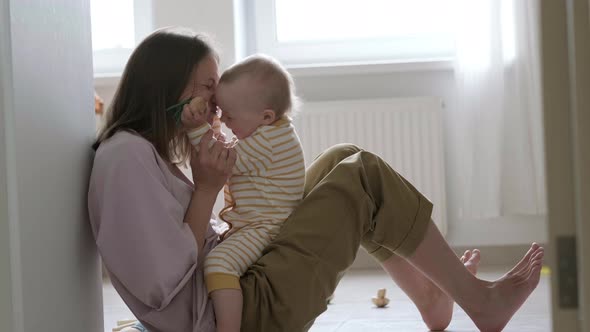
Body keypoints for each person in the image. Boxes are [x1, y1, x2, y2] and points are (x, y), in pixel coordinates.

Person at [88, 27, 544, 332]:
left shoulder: (141, 152)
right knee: (359, 178)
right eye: (208, 85)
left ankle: (429, 294)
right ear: (169, 87)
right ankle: (477, 303)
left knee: (344, 159)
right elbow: (163, 280)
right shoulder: (125, 158)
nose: (216, 99)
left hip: (238, 284)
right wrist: (206, 189)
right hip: (239, 310)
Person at [179, 54, 305, 331]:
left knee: (218, 263)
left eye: (229, 116)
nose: (223, 121)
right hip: (260, 222)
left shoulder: (268, 143)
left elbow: (218, 158)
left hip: (267, 227)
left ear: (266, 116)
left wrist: (195, 128)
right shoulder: (272, 131)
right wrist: (210, 127)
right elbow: (228, 146)